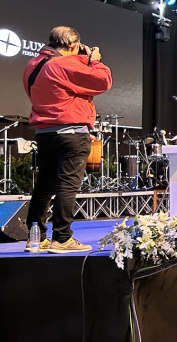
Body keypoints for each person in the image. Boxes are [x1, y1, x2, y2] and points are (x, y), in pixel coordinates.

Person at [23, 27, 112, 253]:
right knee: (67, 185)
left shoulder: (34, 65)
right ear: (73, 46)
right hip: (71, 134)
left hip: (45, 133)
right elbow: (102, 81)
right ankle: (62, 239)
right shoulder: (65, 64)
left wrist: (82, 59)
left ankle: (37, 238)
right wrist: (95, 61)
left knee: (44, 186)